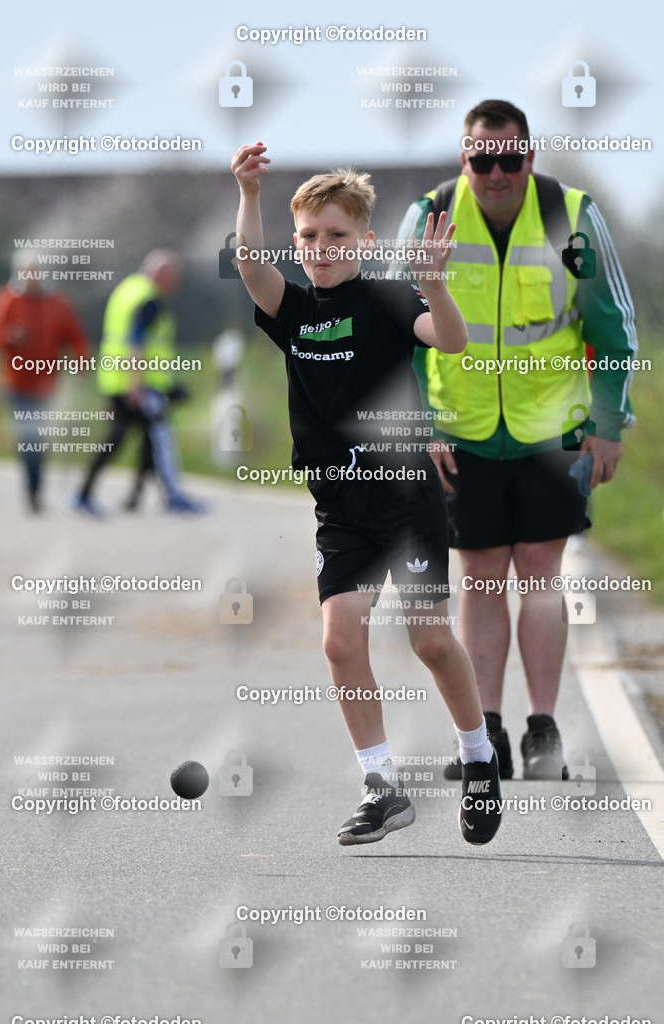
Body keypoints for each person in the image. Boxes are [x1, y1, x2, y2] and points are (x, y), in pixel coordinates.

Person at [231, 141, 503, 847]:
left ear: (365, 240)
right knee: (338, 639)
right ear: (297, 242)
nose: (321, 247)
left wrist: (436, 286)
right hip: (340, 510)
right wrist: (251, 194)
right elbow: (249, 266)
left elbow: (450, 343)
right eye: (310, 236)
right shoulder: (290, 309)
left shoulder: (386, 297)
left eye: (336, 235)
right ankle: (380, 786)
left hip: (405, 502)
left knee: (430, 641)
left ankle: (478, 757)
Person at [392, 99, 637, 780]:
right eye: (480, 158)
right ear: (462, 156)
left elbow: (613, 329)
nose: (494, 173)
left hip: (552, 430)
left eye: (508, 159)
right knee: (476, 576)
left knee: (537, 570)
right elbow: (394, 334)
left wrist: (610, 427)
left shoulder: (570, 213)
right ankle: (486, 733)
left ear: (528, 157)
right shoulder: (428, 216)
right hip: (460, 430)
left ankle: (542, 732)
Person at [73, 249, 205, 516]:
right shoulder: (149, 299)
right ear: (161, 274)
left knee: (143, 440)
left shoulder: (126, 290)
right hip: (139, 384)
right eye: (173, 278)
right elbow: (137, 342)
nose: (175, 285)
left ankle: (130, 496)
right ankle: (170, 497)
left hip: (115, 379)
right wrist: (136, 385)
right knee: (151, 439)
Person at [0, 252, 91, 512]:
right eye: (27, 272)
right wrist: (10, 337)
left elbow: (74, 334)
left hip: (47, 382)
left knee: (39, 439)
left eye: (36, 271)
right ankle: (32, 489)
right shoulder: (7, 299)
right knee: (27, 436)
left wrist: (82, 362)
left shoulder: (56, 302)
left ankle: (36, 487)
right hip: (17, 382)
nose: (32, 276)